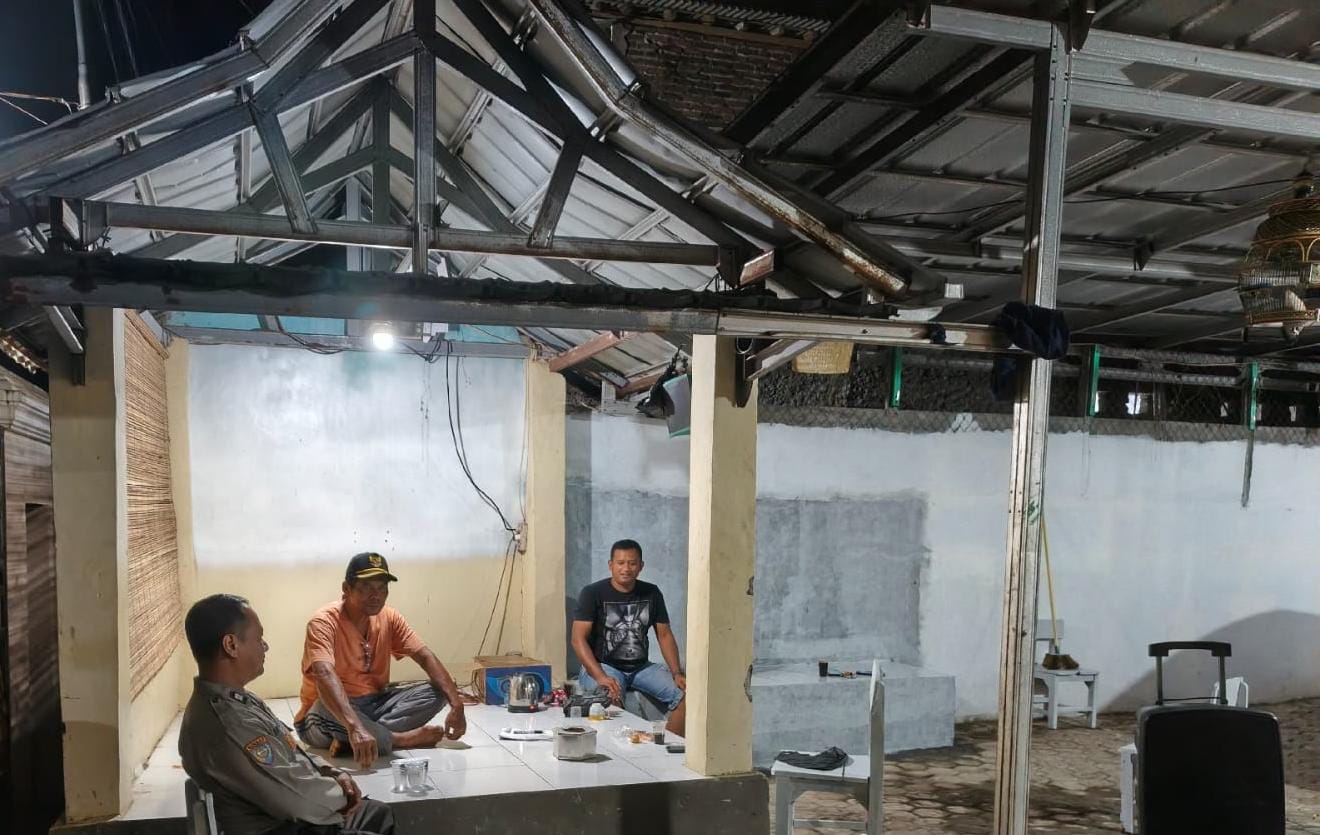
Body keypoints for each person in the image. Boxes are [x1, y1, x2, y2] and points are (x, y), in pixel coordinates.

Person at [179, 594, 395, 835]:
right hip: (279, 827)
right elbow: (297, 799)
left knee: (377, 813)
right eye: (258, 638)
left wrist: (331, 772)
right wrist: (342, 796)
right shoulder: (228, 723)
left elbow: (290, 750)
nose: (265, 646)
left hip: (291, 819)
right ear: (231, 645)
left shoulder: (238, 700)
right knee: (365, 818)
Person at [294, 552, 466, 768]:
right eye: (366, 587)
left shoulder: (389, 617)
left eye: (382, 588)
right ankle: (398, 739)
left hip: (376, 703)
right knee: (325, 706)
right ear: (346, 588)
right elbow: (324, 672)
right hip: (326, 712)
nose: (376, 595)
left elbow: (424, 655)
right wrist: (354, 726)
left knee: (439, 691)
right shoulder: (323, 622)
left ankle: (363, 738)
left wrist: (457, 705)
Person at [571, 539, 687, 736]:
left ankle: (666, 747)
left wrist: (676, 673)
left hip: (641, 667)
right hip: (604, 665)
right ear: (611, 565)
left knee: (685, 696)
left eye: (632, 563)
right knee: (609, 699)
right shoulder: (593, 593)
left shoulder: (651, 593)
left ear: (641, 566)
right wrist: (600, 676)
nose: (626, 568)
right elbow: (578, 639)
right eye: (620, 563)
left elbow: (664, 635)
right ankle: (619, 753)